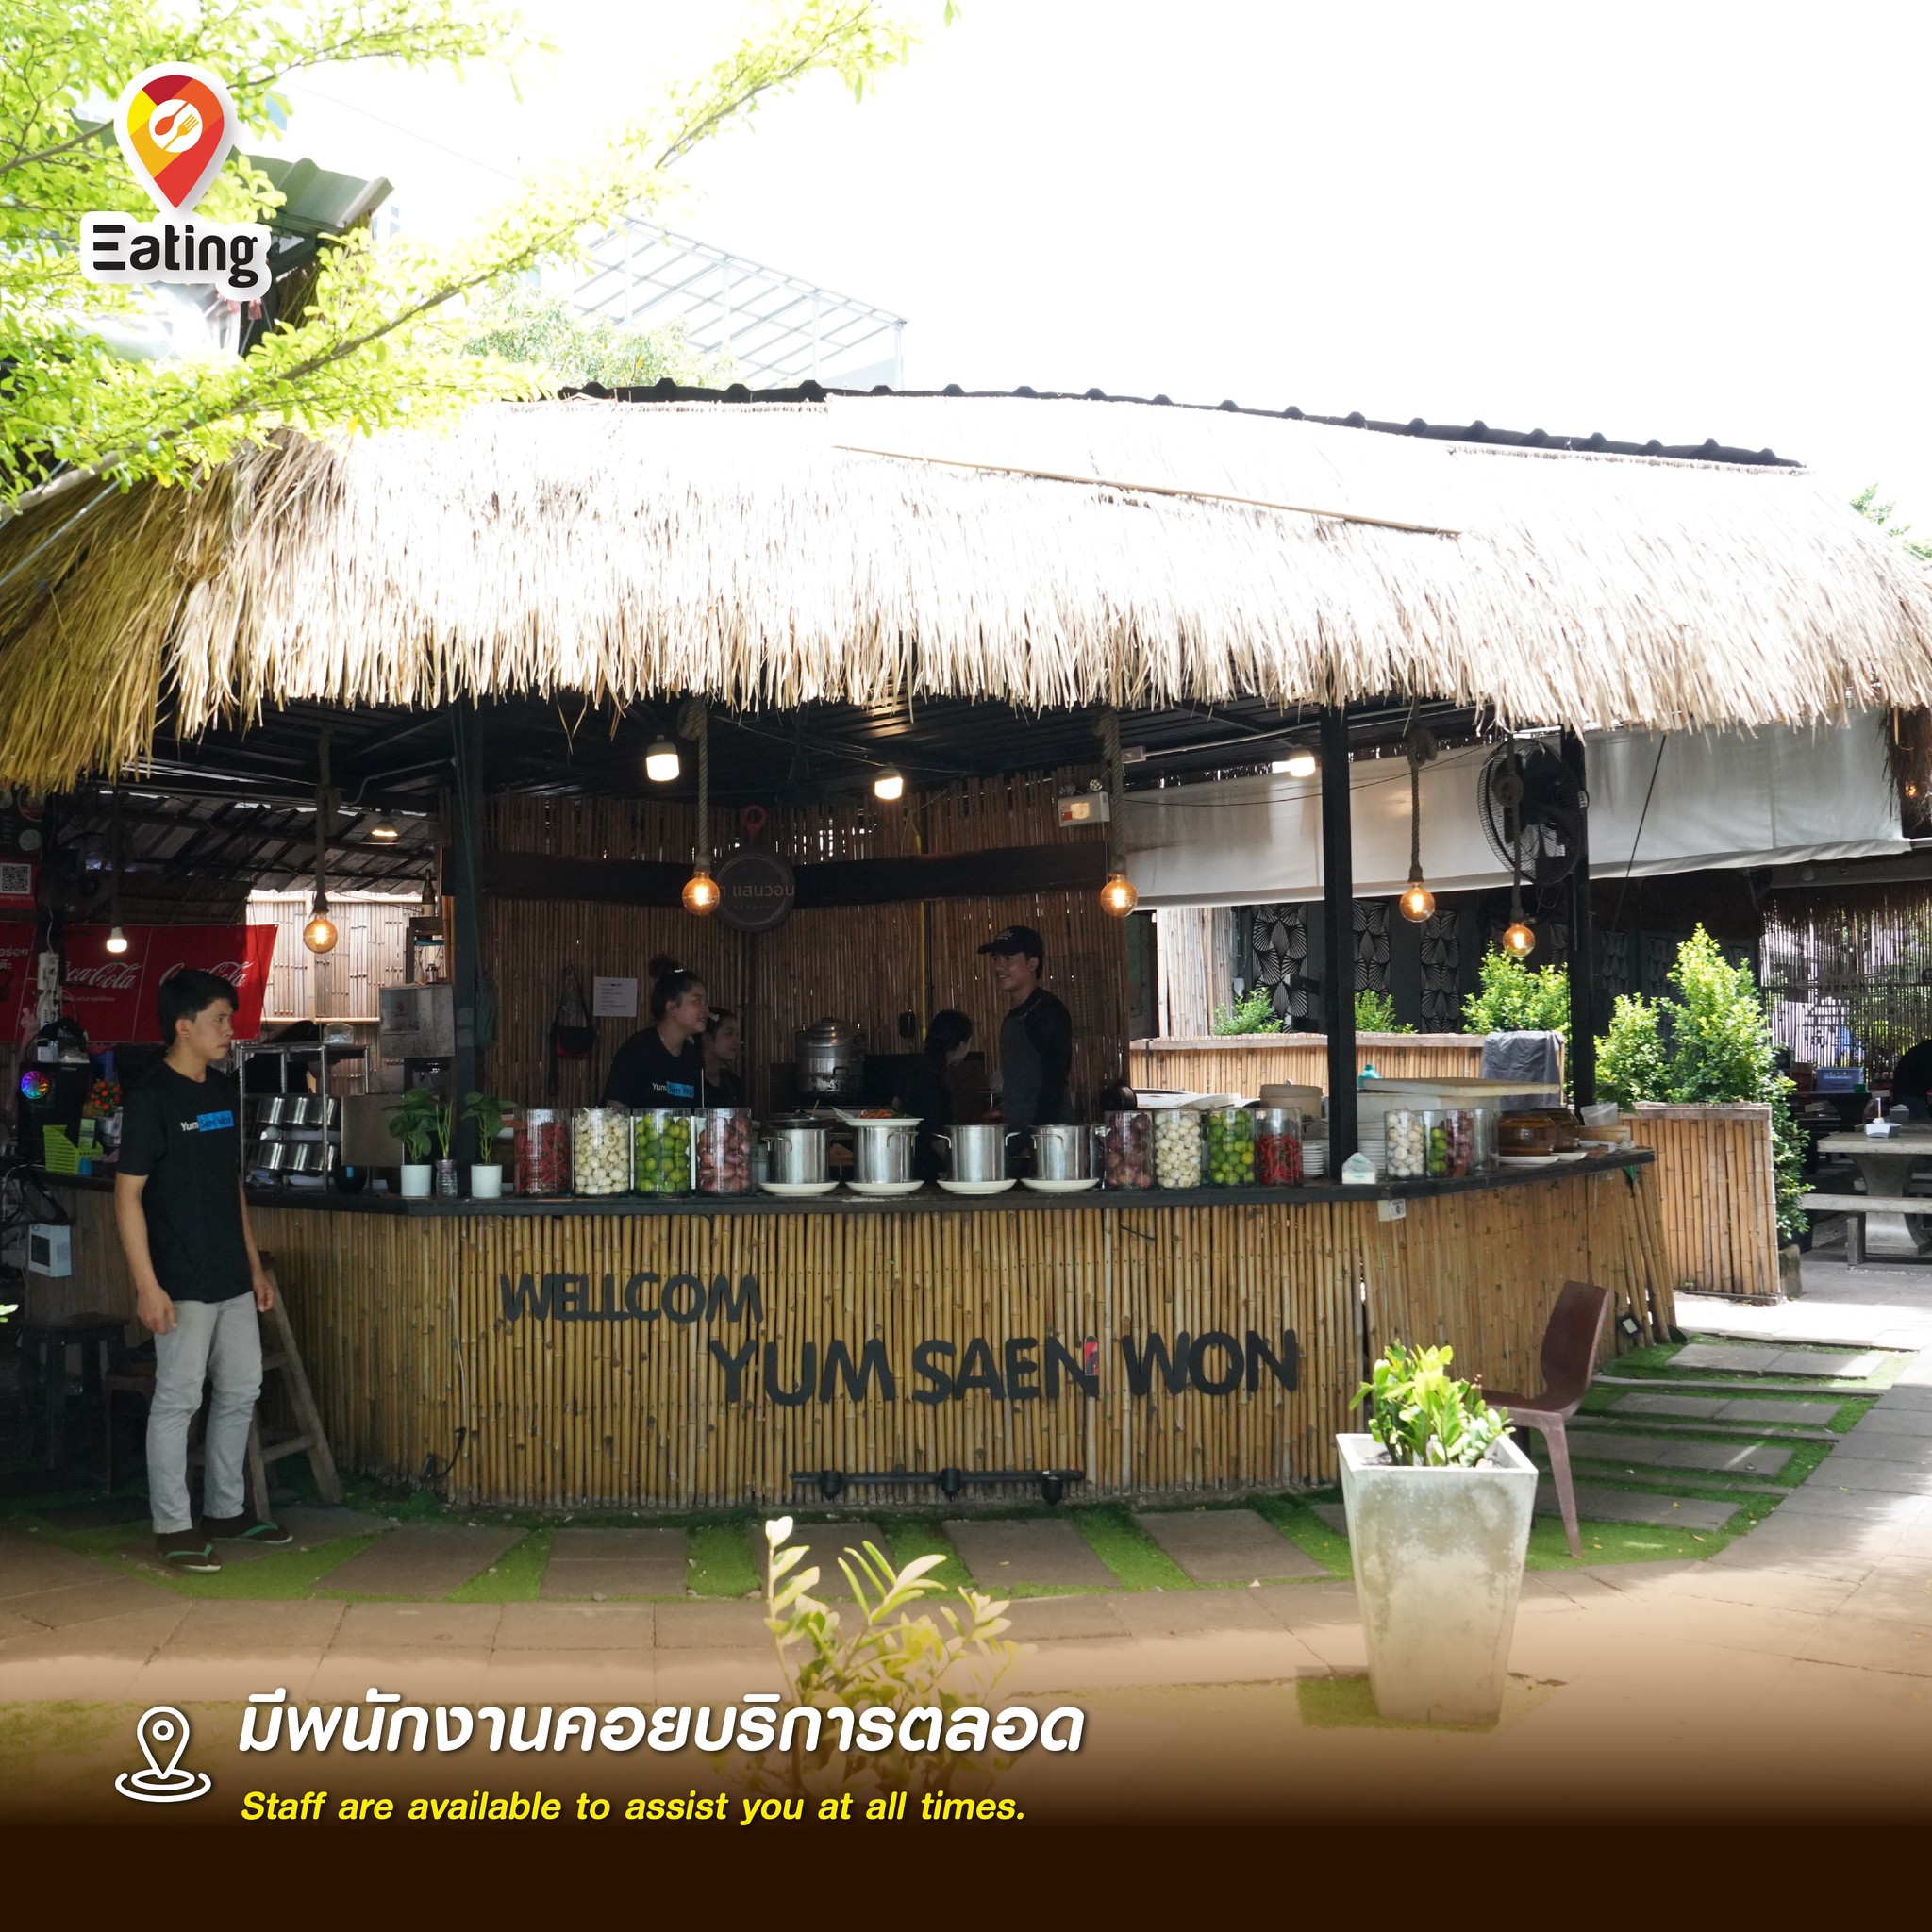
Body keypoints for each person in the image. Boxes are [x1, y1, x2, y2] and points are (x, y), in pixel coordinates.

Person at [114, 969, 285, 1571]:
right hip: (178, 1277)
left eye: (229, 1019)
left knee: (242, 1390)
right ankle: (172, 1525)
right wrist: (147, 1285)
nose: (229, 1030)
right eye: (219, 1019)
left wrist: (253, 1265)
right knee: (179, 1400)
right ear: (183, 1026)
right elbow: (127, 1196)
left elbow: (229, 1183)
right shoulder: (150, 1098)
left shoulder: (221, 1089)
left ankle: (225, 1510)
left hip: (231, 1274)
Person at [978, 924, 1073, 1129]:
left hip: (1049, 1139)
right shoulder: (1014, 1015)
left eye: (1008, 959)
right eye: (996, 959)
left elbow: (1054, 1083)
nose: (999, 966)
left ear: (1032, 963)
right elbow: (1024, 1084)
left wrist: (1037, 1138)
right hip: (1019, 1135)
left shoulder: (1048, 1012)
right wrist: (1005, 1112)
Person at [603, 956, 710, 1108]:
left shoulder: (694, 1059)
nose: (706, 1010)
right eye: (697, 1001)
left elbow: (697, 1115)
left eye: (706, 1002)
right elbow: (615, 1113)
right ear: (672, 1007)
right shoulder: (637, 1050)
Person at [896, 1008, 974, 1180]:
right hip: (926, 1175)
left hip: (907, 1167)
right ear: (962, 1045)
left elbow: (896, 1103)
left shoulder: (918, 1069)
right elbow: (937, 1139)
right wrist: (966, 1171)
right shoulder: (930, 1079)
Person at [702, 1007, 748, 1110]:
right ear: (707, 1038)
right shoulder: (691, 1080)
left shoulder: (734, 1083)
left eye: (736, 1034)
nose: (736, 1040)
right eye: (729, 1033)